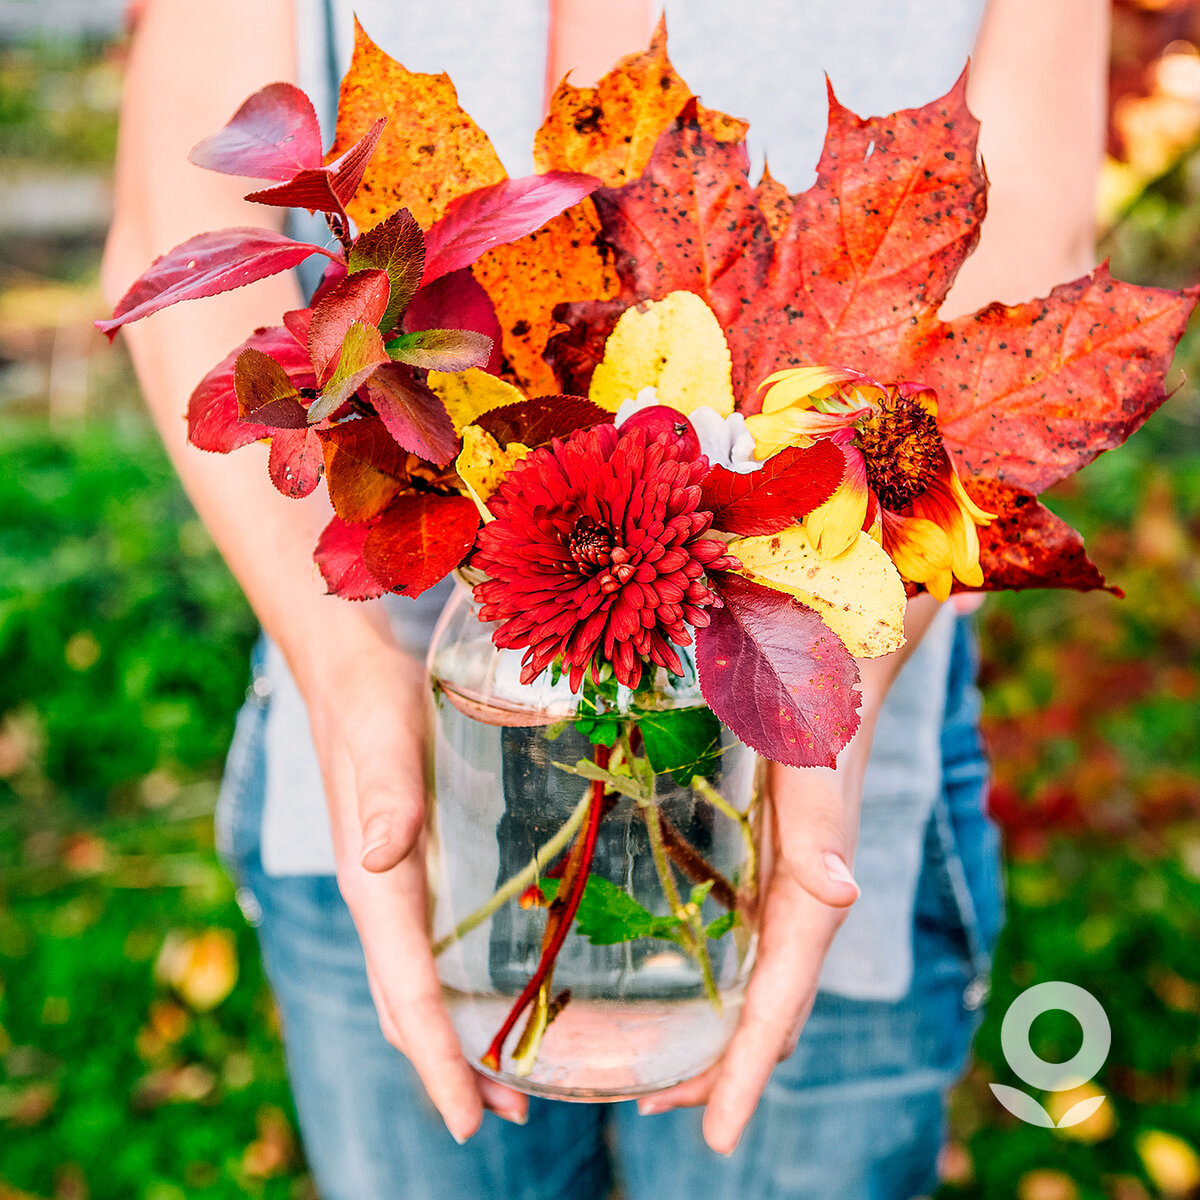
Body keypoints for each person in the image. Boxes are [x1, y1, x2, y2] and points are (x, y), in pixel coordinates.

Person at [101, 1, 1108, 1196]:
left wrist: (828, 695)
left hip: (830, 805)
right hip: (388, 778)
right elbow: (178, 206)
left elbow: (1026, 200)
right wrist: (341, 676)